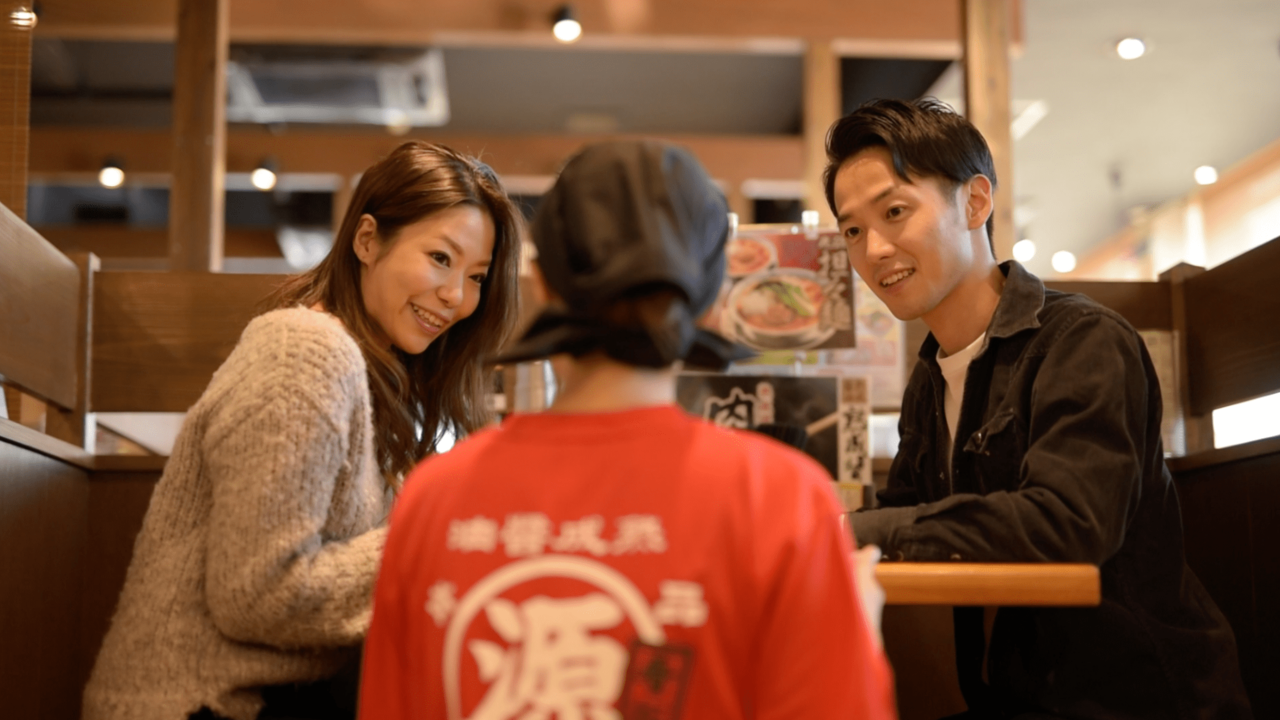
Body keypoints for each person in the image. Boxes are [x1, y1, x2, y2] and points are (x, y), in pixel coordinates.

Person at [358, 140, 897, 720]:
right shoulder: (781, 499)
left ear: (542, 284)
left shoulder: (433, 499)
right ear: (715, 298)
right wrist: (856, 633)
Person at [825, 98, 1251, 720]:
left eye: (894, 212)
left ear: (975, 202)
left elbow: (1067, 526)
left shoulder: (1082, 341)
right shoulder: (932, 372)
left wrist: (851, 533)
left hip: (1142, 697)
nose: (874, 250)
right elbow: (909, 511)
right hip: (1016, 695)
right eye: (853, 231)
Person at [83, 140, 523, 720]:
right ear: (367, 241)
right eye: (441, 258)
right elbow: (257, 594)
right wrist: (434, 535)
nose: (456, 297)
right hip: (195, 705)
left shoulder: (372, 376)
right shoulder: (304, 350)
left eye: (477, 277)